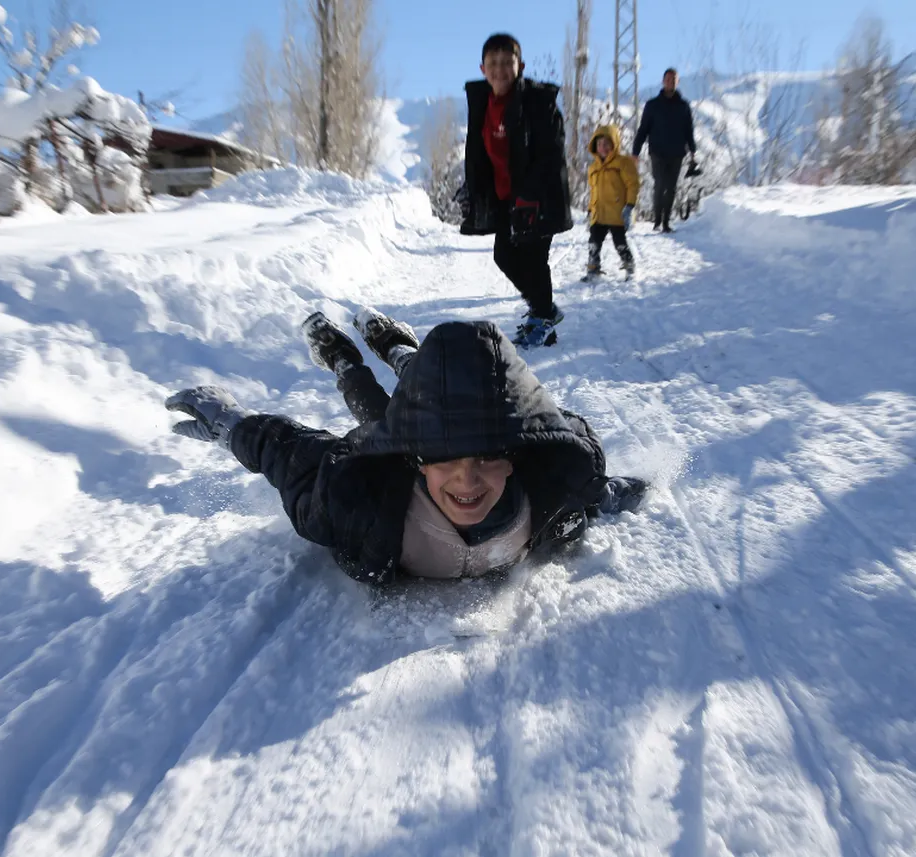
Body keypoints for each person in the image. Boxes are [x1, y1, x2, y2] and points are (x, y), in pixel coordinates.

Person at [165, 308, 648, 585]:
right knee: (410, 410)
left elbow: (583, 485)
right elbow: (292, 455)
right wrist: (230, 424)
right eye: (445, 459)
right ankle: (357, 356)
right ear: (418, 460)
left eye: (488, 457)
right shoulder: (360, 503)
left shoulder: (552, 488)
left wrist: (607, 492)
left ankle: (395, 351)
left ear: (515, 456)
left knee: (431, 405)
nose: (466, 478)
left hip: (438, 435)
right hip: (405, 454)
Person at [459, 32, 572, 349]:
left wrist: (531, 195)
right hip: (507, 199)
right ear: (483, 68)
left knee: (533, 259)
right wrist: (472, 188)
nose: (500, 69)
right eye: (493, 63)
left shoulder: (538, 101)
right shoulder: (482, 102)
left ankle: (543, 319)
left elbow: (551, 154)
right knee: (505, 255)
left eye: (506, 62)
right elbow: (480, 153)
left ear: (519, 66)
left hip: (540, 198)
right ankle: (544, 314)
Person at [633, 68, 698, 233]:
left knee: (671, 187)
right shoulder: (652, 105)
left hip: (677, 153)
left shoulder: (683, 106)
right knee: (660, 184)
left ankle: (666, 222)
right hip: (657, 152)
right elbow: (643, 129)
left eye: (674, 79)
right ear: (663, 81)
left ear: (678, 82)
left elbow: (689, 130)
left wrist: (693, 151)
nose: (671, 82)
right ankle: (657, 220)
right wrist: (635, 152)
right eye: (668, 79)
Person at [585, 124, 640, 281]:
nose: (603, 148)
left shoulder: (623, 163)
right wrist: (590, 210)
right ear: (594, 146)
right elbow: (593, 191)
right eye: (599, 144)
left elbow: (633, 185)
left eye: (607, 144)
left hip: (617, 213)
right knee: (594, 242)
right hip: (599, 213)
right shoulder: (593, 168)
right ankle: (593, 268)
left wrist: (629, 206)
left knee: (620, 243)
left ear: (614, 144)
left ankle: (629, 266)